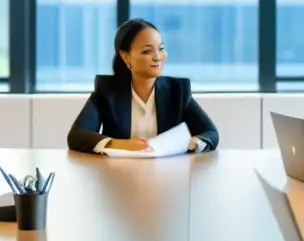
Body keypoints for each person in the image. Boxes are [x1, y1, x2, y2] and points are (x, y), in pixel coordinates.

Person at [67, 18, 219, 154]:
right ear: (126, 57)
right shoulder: (107, 91)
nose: (157, 57)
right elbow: (77, 135)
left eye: (161, 49)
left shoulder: (177, 90)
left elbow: (210, 132)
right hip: (118, 174)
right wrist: (121, 145)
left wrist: (197, 142)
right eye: (147, 51)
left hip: (167, 175)